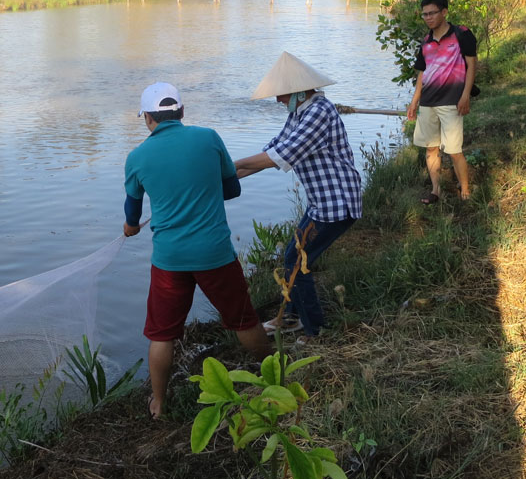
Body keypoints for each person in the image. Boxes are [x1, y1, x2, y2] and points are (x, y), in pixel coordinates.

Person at [123, 82, 270, 419]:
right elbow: (231, 189)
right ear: (182, 112)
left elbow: (131, 216)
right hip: (215, 254)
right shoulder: (208, 138)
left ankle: (159, 402)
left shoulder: (137, 157)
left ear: (147, 118)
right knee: (243, 319)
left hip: (169, 260)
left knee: (162, 334)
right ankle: (274, 378)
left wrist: (130, 227)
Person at [234, 52, 362, 341]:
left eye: (281, 94)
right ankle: (290, 317)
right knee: (292, 257)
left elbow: (280, 156)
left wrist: (229, 168)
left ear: (299, 90)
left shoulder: (318, 112)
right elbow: (274, 148)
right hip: (322, 203)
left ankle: (315, 329)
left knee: (294, 261)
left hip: (337, 203)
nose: (278, 100)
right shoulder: (299, 113)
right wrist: (227, 178)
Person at [406, 0, 478, 204]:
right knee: (431, 148)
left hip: (451, 101)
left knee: (454, 150)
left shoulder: (461, 34)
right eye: (425, 14)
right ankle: (435, 190)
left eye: (432, 13)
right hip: (428, 102)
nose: (428, 18)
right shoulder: (426, 42)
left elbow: (472, 64)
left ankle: (465, 190)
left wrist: (465, 95)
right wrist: (414, 101)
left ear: (444, 12)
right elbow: (422, 73)